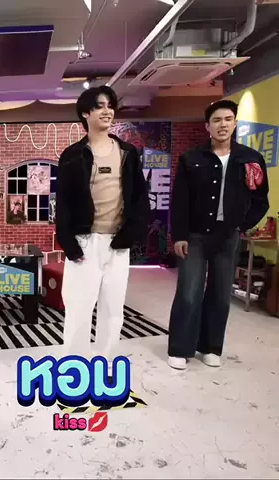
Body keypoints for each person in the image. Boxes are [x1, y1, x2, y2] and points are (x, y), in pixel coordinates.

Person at [168, 100, 269, 370]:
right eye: (216, 120)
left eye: (227, 119)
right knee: (189, 293)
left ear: (235, 124)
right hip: (195, 237)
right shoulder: (191, 159)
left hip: (228, 237)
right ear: (207, 126)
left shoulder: (250, 159)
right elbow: (180, 201)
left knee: (220, 295)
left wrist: (241, 225)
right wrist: (179, 235)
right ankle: (179, 349)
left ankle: (210, 347)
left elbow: (261, 199)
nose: (222, 125)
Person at [56, 85, 150, 372]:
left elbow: (139, 198)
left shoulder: (127, 152)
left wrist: (130, 235)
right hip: (85, 241)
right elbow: (64, 203)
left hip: (117, 243)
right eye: (99, 106)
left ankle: (105, 363)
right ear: (85, 113)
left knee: (113, 308)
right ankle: (74, 366)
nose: (107, 111)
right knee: (78, 307)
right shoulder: (73, 155)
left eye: (110, 105)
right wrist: (68, 244)